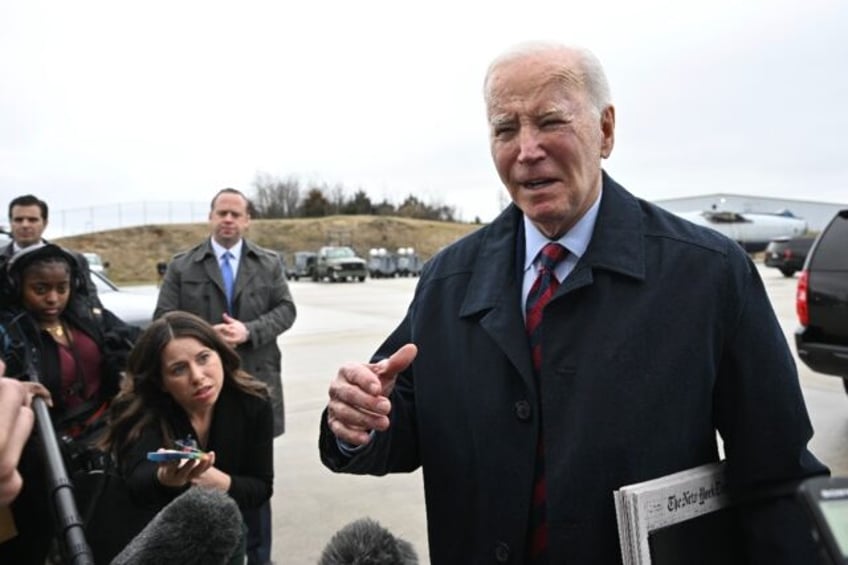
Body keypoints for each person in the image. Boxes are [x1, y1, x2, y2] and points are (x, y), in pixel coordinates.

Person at [318, 42, 829, 564]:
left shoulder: (709, 274)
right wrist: (356, 421)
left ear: (605, 130)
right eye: (505, 129)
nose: (527, 149)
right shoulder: (449, 281)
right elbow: (398, 424)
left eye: (550, 121)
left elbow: (778, 478)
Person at [154, 187, 295, 565]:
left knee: (251, 484)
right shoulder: (184, 266)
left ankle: (258, 558)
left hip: (252, 386)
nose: (228, 220)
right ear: (211, 217)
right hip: (199, 396)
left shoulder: (268, 263)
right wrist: (203, 339)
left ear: (247, 220)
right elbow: (162, 319)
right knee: (200, 480)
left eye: (236, 214)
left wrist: (250, 330)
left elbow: (286, 310)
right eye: (222, 213)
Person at [98, 310, 274, 564]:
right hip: (153, 538)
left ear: (220, 355)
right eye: (179, 369)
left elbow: (260, 488)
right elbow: (137, 482)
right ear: (161, 382)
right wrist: (166, 478)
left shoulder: (254, 402)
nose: (197, 377)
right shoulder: (139, 410)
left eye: (204, 358)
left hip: (226, 534)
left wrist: (220, 481)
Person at [0, 243, 138, 563]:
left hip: (107, 438)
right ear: (16, 287)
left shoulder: (87, 315)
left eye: (61, 289)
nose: (52, 299)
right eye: (40, 289)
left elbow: (134, 340)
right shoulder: (10, 331)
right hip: (47, 454)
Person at [1, 194, 101, 306]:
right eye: (18, 220)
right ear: (10, 223)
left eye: (32, 220)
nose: (25, 225)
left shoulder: (72, 260)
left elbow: (91, 302)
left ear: (45, 223)